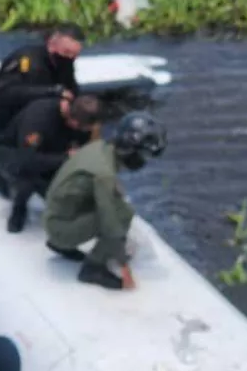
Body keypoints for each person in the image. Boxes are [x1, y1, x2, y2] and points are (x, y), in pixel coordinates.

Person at [43, 111, 167, 291]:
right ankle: (93, 268)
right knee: (123, 213)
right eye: (143, 155)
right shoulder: (104, 174)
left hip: (55, 214)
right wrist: (122, 262)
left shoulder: (100, 147)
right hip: (59, 228)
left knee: (115, 202)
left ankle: (59, 243)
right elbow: (111, 225)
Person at [0, 93, 103, 234]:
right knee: (24, 179)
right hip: (16, 155)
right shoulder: (39, 118)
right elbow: (28, 160)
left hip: (53, 152)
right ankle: (19, 206)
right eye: (85, 129)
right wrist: (65, 158)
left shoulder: (81, 122)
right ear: (74, 122)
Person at [0, 23, 85, 146]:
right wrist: (53, 91)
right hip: (2, 122)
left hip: (34, 117)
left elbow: (71, 87)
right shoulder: (27, 60)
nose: (70, 58)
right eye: (66, 52)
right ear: (52, 44)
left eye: (74, 55)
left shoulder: (65, 64)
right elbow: (6, 92)